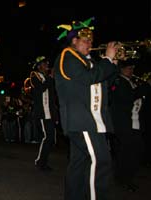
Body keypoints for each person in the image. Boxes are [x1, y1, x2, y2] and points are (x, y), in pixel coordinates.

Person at [53, 18, 119, 200]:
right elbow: (89, 78)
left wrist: (113, 63)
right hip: (82, 120)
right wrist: (107, 59)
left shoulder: (88, 62)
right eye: (86, 40)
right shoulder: (68, 56)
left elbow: (104, 82)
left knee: (79, 164)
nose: (90, 44)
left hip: (90, 121)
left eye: (91, 40)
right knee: (101, 161)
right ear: (74, 40)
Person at [109, 60, 145, 192]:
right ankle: (123, 178)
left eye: (132, 68)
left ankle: (128, 176)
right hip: (123, 123)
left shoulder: (132, 82)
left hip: (135, 122)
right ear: (122, 69)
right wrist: (142, 89)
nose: (131, 71)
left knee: (135, 151)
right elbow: (123, 98)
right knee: (126, 152)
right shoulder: (118, 82)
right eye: (129, 68)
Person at [29, 56, 59, 171]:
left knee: (50, 138)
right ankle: (40, 161)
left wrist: (55, 115)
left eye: (47, 63)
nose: (47, 65)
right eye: (44, 64)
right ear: (39, 65)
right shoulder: (34, 76)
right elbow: (40, 88)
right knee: (47, 137)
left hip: (49, 112)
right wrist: (50, 77)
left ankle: (43, 161)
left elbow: (52, 97)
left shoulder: (47, 78)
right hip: (42, 112)